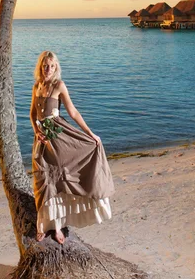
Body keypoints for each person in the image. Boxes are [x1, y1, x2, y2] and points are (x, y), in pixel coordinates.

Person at [30, 50, 115, 244]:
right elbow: (32, 114)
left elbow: (73, 112)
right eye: (45, 65)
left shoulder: (59, 86)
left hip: (59, 139)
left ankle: (58, 227)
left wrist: (90, 134)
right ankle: (42, 225)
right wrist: (36, 131)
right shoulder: (36, 86)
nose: (48, 69)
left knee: (58, 181)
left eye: (52, 66)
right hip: (42, 140)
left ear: (56, 67)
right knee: (42, 181)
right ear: (40, 66)